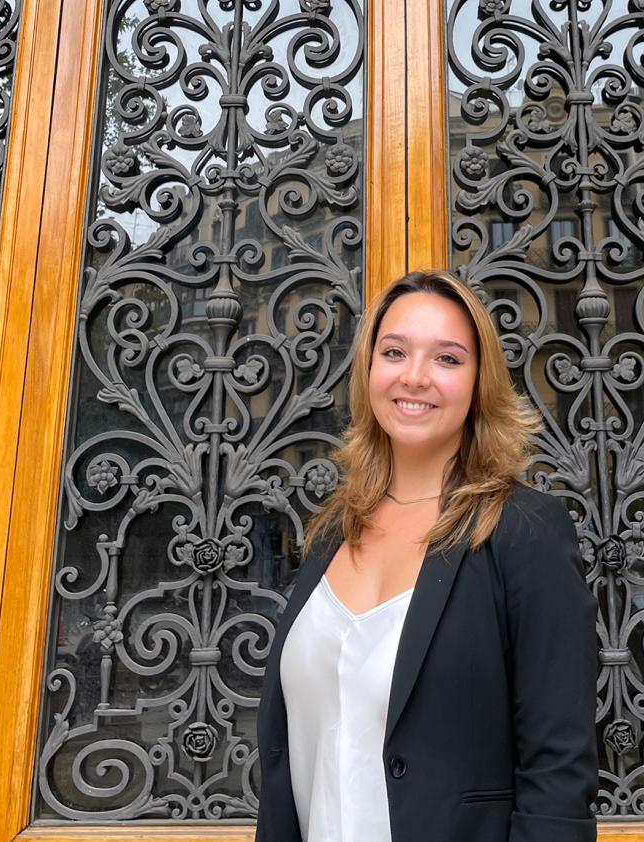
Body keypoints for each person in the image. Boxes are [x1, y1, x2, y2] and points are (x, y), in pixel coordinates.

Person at [255, 268, 600, 841]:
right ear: (369, 370)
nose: (414, 377)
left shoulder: (525, 531)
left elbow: (559, 767)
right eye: (394, 352)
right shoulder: (332, 532)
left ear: (479, 382)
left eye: (447, 359)